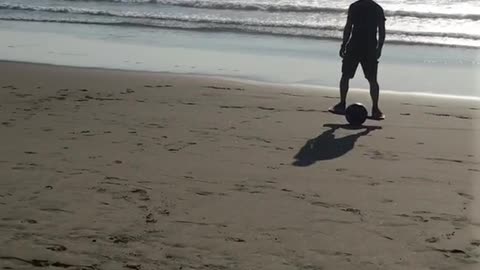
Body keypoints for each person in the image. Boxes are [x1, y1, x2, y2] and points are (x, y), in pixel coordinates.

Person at [329, 0, 386, 120]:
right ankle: (372, 108)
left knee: (366, 78)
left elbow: (381, 30)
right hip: (362, 46)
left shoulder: (367, 7)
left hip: (362, 46)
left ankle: (373, 108)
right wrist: (344, 44)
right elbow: (381, 30)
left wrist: (344, 44)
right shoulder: (372, 8)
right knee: (352, 76)